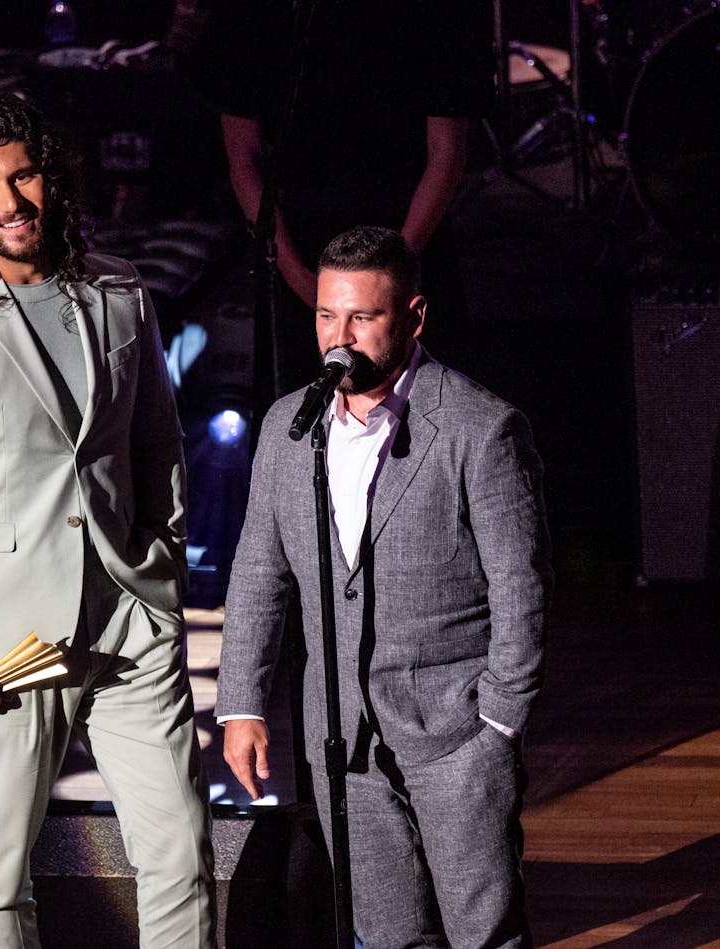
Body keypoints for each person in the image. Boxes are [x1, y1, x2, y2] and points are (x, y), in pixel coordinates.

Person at [0, 92, 216, 948]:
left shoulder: (119, 291)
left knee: (180, 848)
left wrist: (164, 562)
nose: (9, 199)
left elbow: (157, 442)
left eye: (21, 173)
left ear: (50, 176)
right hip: (12, 638)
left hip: (130, 614)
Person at [217, 226, 551, 948]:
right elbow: (258, 571)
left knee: (483, 933)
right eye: (326, 316)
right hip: (341, 735)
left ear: (414, 316)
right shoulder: (287, 429)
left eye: (363, 317)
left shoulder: (479, 427)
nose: (340, 337)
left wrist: (499, 720)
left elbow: (521, 586)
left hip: (457, 729)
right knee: (387, 933)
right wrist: (241, 701)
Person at [187, 0, 494, 391]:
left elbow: (447, 153)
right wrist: (304, 282)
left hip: (409, 241)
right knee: (301, 418)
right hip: (299, 249)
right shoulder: (257, 15)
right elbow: (243, 160)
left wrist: (390, 272)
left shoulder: (436, 13)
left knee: (428, 418)